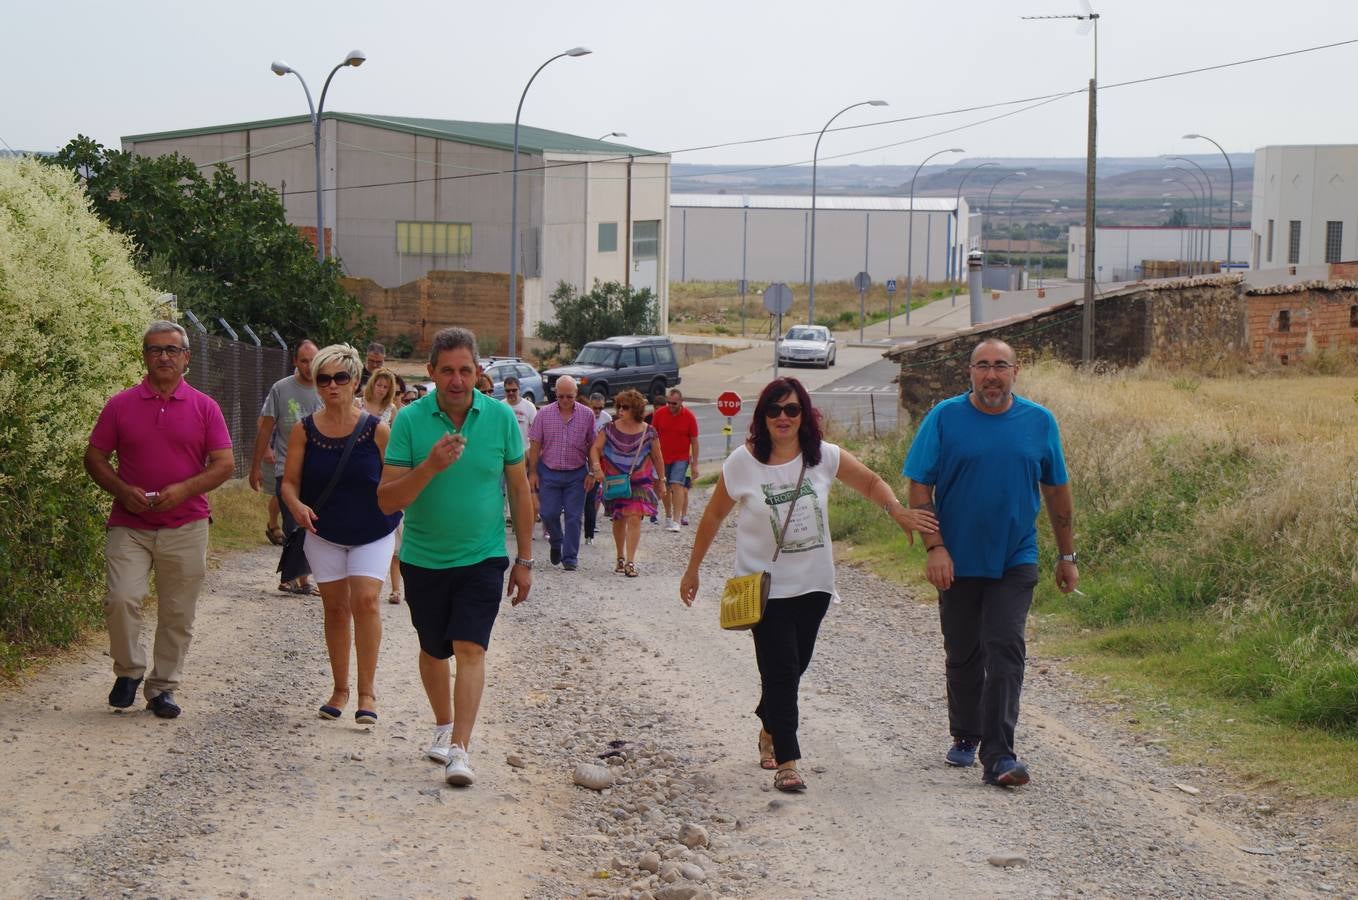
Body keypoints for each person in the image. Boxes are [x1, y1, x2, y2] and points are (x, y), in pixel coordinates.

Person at [680, 377, 937, 792]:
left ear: (805, 415)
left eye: (792, 410)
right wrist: (693, 569)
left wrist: (897, 511)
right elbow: (712, 518)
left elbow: (871, 482)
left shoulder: (824, 458)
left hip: (815, 586)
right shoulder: (742, 463)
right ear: (762, 416)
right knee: (780, 670)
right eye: (775, 410)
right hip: (765, 590)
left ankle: (769, 726)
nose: (783, 417)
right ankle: (788, 761)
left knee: (794, 668)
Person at [903, 338, 1077, 789]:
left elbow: (1057, 491)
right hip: (956, 559)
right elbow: (919, 486)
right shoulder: (944, 417)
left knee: (1005, 647)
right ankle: (966, 732)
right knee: (963, 652)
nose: (992, 375)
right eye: (983, 366)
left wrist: (1066, 555)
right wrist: (935, 547)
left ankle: (1000, 755)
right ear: (970, 372)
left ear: (1015, 372)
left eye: (1001, 366)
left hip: (1014, 557)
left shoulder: (1038, 423)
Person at [377, 326, 534, 787]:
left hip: (483, 556)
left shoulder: (502, 418)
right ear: (430, 373)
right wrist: (431, 465)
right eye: (447, 371)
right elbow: (387, 500)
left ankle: (461, 749)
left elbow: (520, 490)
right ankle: (443, 725)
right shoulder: (408, 421)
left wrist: (524, 560)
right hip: (423, 558)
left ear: (479, 372)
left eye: (466, 370)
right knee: (433, 648)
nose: (457, 380)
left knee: (470, 646)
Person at [84, 321, 234, 718]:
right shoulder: (121, 405)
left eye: (171, 349)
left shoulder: (205, 407)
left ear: (186, 357)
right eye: (154, 350)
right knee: (121, 598)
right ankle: (129, 672)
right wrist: (121, 490)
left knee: (177, 611)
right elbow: (94, 458)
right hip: (129, 524)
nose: (163, 357)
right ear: (144, 356)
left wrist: (184, 489)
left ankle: (163, 687)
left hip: (186, 524)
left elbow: (224, 464)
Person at [280, 344, 401, 724]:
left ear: (354, 382)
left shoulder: (377, 430)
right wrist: (296, 507)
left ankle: (367, 694)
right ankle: (340, 688)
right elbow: (289, 483)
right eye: (323, 379)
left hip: (373, 530)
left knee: (365, 601)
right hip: (324, 532)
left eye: (340, 378)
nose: (331, 386)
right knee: (335, 608)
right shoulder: (304, 431)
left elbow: (396, 480)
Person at [250, 339, 322, 594]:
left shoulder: (326, 387)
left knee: (310, 525)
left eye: (313, 360)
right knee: (291, 523)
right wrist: (255, 466)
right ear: (295, 361)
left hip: (317, 470)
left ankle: (301, 578)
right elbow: (266, 427)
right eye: (303, 360)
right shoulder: (281, 389)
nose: (309, 366)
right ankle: (291, 578)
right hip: (286, 468)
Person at [590, 390, 665, 577]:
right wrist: (597, 467)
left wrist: (661, 481)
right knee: (619, 518)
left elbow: (657, 457)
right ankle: (620, 556)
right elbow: (595, 448)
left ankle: (631, 561)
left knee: (634, 517)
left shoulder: (649, 432)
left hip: (640, 483)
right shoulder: (608, 429)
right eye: (619, 406)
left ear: (636, 409)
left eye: (626, 407)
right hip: (615, 482)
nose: (621, 410)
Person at [527, 375, 596, 571]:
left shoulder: (587, 415)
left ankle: (570, 558)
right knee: (548, 512)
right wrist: (532, 472)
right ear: (555, 394)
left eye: (569, 396)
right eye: (561, 396)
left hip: (576, 473)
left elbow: (592, 445)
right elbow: (535, 443)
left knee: (574, 517)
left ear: (576, 394)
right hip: (549, 471)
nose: (565, 400)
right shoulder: (544, 414)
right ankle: (556, 541)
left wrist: (592, 471)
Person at [651, 387, 700, 532]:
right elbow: (652, 436)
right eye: (669, 403)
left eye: (674, 404)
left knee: (677, 485)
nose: (671, 406)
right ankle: (668, 516)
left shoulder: (689, 417)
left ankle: (677, 520)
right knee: (664, 487)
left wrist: (695, 464)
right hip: (662, 457)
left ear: (681, 402)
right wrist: (650, 457)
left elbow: (695, 441)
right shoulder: (660, 414)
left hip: (681, 457)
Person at [582, 392, 612, 545]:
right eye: (595, 408)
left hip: (597, 463)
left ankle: (589, 533)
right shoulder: (583, 415)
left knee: (591, 499)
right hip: (580, 461)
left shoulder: (607, 419)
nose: (598, 411)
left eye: (601, 408)